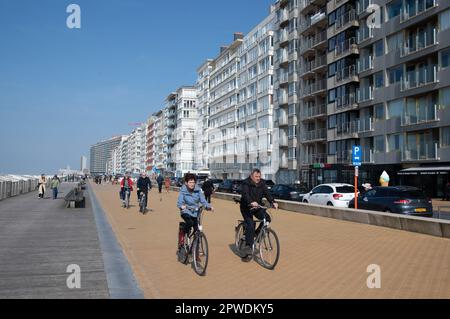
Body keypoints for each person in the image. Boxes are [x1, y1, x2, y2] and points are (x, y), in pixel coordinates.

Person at [239, 169, 278, 256]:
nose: (258, 178)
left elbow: (267, 193)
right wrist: (251, 202)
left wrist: (273, 202)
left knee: (267, 218)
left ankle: (256, 233)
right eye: (256, 176)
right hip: (246, 207)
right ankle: (248, 246)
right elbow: (245, 194)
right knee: (251, 223)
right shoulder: (246, 183)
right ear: (251, 176)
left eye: (259, 176)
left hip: (257, 207)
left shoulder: (262, 184)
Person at [177, 174, 214, 247]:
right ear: (186, 183)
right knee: (190, 222)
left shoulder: (198, 190)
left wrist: (209, 207)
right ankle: (182, 233)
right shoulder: (183, 190)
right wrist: (181, 206)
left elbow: (203, 200)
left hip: (195, 212)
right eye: (190, 182)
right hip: (186, 211)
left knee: (197, 230)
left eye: (193, 182)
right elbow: (180, 201)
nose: (192, 184)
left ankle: (195, 249)